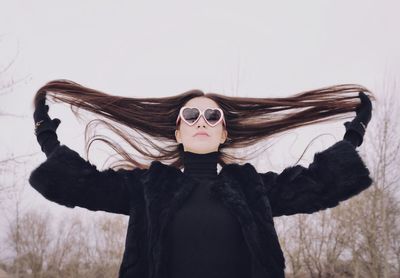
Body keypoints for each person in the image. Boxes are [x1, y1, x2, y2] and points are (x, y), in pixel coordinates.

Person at [29, 80, 374, 278]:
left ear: (223, 133)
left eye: (212, 116)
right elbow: (86, 185)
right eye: (191, 115)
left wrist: (354, 135)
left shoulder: (251, 187)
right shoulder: (150, 188)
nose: (201, 122)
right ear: (178, 131)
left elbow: (316, 186)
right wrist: (47, 137)